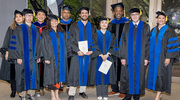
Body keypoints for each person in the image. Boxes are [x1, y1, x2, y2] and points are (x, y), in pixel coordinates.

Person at [8, 9, 41, 100]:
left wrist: (38, 56)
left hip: (33, 57)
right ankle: (22, 95)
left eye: (31, 16)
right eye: (27, 16)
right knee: (21, 75)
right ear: (24, 17)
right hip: (22, 57)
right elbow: (15, 44)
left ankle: (31, 94)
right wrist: (17, 57)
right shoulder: (18, 29)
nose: (29, 17)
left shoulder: (36, 29)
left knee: (32, 74)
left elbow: (39, 44)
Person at [146, 11, 179, 100]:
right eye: (159, 18)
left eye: (163, 18)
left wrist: (168, 57)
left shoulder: (169, 30)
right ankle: (159, 93)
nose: (161, 20)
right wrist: (147, 56)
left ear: (165, 20)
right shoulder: (154, 30)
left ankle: (158, 95)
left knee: (160, 75)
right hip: (153, 58)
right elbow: (149, 44)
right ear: (157, 19)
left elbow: (173, 45)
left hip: (163, 57)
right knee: (154, 75)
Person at [119, 8, 150, 100]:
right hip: (128, 56)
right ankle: (128, 94)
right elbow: (122, 42)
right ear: (130, 16)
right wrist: (122, 57)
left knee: (139, 75)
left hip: (140, 56)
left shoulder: (145, 26)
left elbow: (148, 43)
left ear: (140, 15)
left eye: (136, 14)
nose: (135, 16)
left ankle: (137, 95)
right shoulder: (126, 26)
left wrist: (146, 57)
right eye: (133, 14)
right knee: (128, 75)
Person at [68, 7, 96, 100]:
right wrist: (77, 50)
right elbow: (70, 39)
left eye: (86, 13)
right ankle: (71, 93)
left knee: (85, 71)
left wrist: (91, 50)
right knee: (75, 72)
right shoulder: (74, 25)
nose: (84, 14)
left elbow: (95, 39)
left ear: (88, 14)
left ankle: (82, 91)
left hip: (88, 54)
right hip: (77, 54)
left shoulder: (92, 26)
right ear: (80, 15)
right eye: (82, 13)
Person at [42, 14, 70, 100]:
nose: (54, 22)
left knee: (59, 76)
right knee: (51, 76)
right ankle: (52, 94)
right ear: (49, 22)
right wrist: (46, 58)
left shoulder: (62, 32)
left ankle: (57, 94)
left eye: (55, 21)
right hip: (51, 58)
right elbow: (44, 46)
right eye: (52, 21)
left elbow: (67, 45)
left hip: (61, 58)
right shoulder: (46, 32)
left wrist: (67, 55)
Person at [89, 17, 118, 100]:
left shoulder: (111, 35)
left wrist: (107, 54)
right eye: (102, 22)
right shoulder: (95, 34)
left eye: (106, 23)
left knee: (106, 76)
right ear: (99, 24)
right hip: (98, 58)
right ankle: (99, 94)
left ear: (108, 24)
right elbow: (93, 45)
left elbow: (114, 46)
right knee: (98, 77)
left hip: (108, 58)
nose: (104, 24)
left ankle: (105, 94)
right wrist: (101, 54)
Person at [108, 2, 129, 99]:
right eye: (116, 11)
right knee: (113, 69)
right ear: (113, 12)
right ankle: (115, 89)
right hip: (113, 50)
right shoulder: (110, 23)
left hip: (123, 50)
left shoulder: (127, 23)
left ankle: (123, 90)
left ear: (123, 12)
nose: (118, 12)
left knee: (123, 70)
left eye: (120, 11)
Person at [0, 10, 23, 98]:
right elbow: (7, 41)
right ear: (14, 19)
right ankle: (13, 90)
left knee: (21, 74)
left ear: (23, 18)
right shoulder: (11, 28)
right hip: (13, 55)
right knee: (13, 74)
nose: (18, 18)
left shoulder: (26, 28)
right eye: (16, 17)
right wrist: (6, 52)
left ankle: (21, 92)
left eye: (20, 16)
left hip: (22, 56)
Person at [59, 5, 74, 93]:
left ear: (70, 14)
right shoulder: (57, 24)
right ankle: (60, 86)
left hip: (71, 49)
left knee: (70, 67)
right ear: (61, 13)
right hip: (61, 49)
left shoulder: (73, 24)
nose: (66, 14)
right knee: (61, 67)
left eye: (68, 12)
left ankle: (69, 86)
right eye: (64, 12)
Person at [33, 8, 47, 97]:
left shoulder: (48, 26)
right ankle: (35, 87)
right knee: (35, 70)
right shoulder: (33, 26)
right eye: (39, 14)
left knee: (43, 70)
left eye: (43, 15)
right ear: (36, 16)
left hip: (45, 51)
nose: (41, 16)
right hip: (35, 51)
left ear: (45, 17)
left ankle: (41, 87)